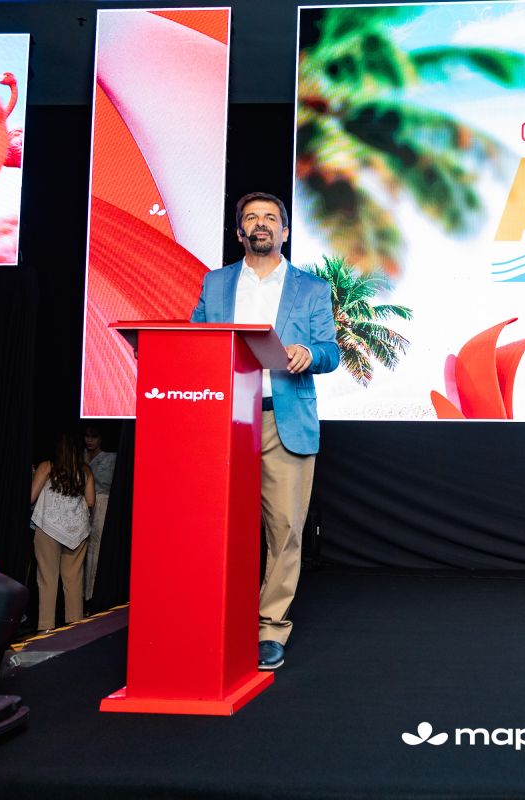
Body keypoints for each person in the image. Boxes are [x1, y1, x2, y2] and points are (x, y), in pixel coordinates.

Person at [191, 192, 339, 670]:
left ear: (285, 231)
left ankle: (270, 627)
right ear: (240, 232)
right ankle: (216, 620)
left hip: (284, 420)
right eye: (251, 218)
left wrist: (309, 353)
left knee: (285, 529)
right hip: (224, 420)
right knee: (216, 526)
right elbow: (194, 342)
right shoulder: (215, 284)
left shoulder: (311, 289)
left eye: (270, 218)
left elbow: (331, 352)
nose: (261, 224)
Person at [30, 432, 95, 631]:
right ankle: (75, 628)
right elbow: (90, 501)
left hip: (49, 528)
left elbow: (31, 497)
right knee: (74, 580)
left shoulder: (47, 466)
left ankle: (46, 627)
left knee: (47, 579)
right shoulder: (85, 470)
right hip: (77, 532)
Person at [82, 423, 116, 602]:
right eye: (87, 436)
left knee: (95, 547)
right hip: (80, 504)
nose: (89, 440)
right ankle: (80, 593)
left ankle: (92, 593)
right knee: (80, 545)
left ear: (101, 438)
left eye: (94, 436)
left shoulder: (110, 458)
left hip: (101, 503)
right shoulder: (80, 455)